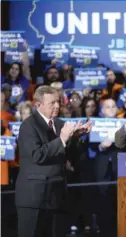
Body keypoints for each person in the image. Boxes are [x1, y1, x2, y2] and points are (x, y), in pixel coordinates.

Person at [15, 85, 92, 237]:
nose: (57, 106)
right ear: (38, 105)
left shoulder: (60, 124)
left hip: (56, 197)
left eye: (58, 102)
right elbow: (37, 155)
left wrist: (78, 137)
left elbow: (70, 155)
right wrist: (62, 139)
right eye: (52, 103)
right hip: (33, 200)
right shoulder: (28, 126)